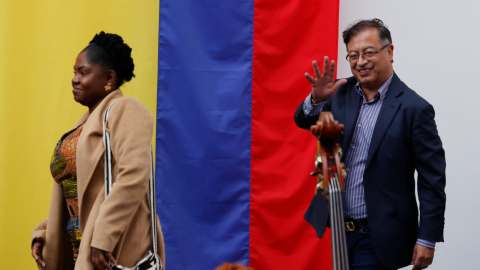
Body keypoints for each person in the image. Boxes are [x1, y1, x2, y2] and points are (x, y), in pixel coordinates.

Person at [294, 19, 446, 270]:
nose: (360, 61)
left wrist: (427, 237)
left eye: (368, 52)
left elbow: (432, 179)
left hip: (381, 233)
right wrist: (316, 100)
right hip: (340, 229)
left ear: (390, 51)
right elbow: (303, 120)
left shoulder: (415, 109)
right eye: (353, 55)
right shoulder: (340, 93)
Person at [31, 32, 165, 270]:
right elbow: (79, 195)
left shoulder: (127, 109)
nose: (74, 79)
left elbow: (134, 174)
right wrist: (45, 232)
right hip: (80, 248)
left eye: (83, 72)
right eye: (74, 72)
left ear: (109, 78)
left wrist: (103, 237)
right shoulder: (83, 124)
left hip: (112, 249)